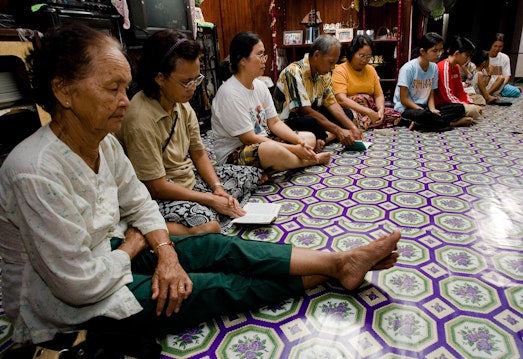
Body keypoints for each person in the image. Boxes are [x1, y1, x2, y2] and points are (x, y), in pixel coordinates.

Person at [0, 23, 402, 353]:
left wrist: (165, 252)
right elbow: (79, 283)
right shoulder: (33, 171)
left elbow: (139, 202)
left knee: (220, 248)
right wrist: (142, 244)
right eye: (112, 89)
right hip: (74, 303)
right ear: (63, 90)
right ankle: (337, 269)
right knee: (210, 288)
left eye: (126, 88)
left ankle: (338, 263)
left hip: (114, 253)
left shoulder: (101, 141)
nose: (124, 101)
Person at [116, 30, 263, 234]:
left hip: (189, 180)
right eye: (186, 81)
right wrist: (211, 199)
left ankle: (214, 212)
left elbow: (199, 152)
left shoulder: (181, 104)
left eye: (196, 79)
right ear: (160, 78)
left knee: (250, 174)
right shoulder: (140, 119)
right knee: (206, 220)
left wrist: (217, 188)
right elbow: (156, 186)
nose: (193, 87)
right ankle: (151, 229)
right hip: (160, 194)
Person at [211, 31, 331, 172]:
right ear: (242, 60)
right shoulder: (229, 93)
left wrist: (298, 142)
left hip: (261, 141)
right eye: (259, 54)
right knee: (271, 149)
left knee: (308, 137)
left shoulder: (260, 86)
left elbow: (274, 122)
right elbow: (249, 139)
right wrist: (293, 148)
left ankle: (279, 163)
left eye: (264, 54)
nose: (264, 60)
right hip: (234, 154)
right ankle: (310, 161)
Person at [273, 34, 363, 146]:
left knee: (347, 113)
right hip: (290, 121)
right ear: (316, 55)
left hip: (312, 115)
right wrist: (338, 130)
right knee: (309, 122)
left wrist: (353, 127)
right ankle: (326, 137)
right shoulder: (293, 72)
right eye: (331, 62)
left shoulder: (324, 74)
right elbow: (305, 111)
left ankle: (323, 139)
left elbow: (332, 103)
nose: (333, 67)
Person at [393, 32, 471, 132]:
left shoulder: (434, 67)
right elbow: (404, 100)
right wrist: (422, 110)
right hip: (407, 108)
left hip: (425, 107)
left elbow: (431, 93)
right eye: (434, 51)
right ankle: (452, 123)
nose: (439, 54)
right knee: (423, 115)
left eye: (440, 50)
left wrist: (432, 108)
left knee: (459, 108)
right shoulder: (408, 69)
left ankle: (424, 124)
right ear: (422, 51)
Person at [332, 34, 401, 131]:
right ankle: (366, 122)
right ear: (352, 53)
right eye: (361, 56)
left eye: (368, 57)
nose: (365, 60)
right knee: (353, 112)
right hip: (352, 110)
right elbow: (341, 99)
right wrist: (368, 112)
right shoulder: (340, 70)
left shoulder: (371, 69)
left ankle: (366, 122)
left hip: (370, 109)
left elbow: (378, 95)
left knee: (395, 115)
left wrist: (380, 110)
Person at [434, 36, 482, 121]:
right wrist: (468, 106)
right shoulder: (444, 67)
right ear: (456, 53)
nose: (468, 59)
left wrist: (470, 103)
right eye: (466, 55)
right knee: (473, 110)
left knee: (477, 101)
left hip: (453, 103)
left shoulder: (456, 67)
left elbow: (460, 91)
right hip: (443, 105)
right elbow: (448, 97)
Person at [486, 33, 521, 98]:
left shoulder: (504, 57)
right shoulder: (484, 56)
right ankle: (488, 94)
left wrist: (499, 87)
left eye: (500, 47)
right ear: (491, 45)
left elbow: (506, 76)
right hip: (485, 84)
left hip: (499, 85)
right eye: (495, 46)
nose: (497, 49)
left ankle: (493, 93)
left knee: (516, 92)